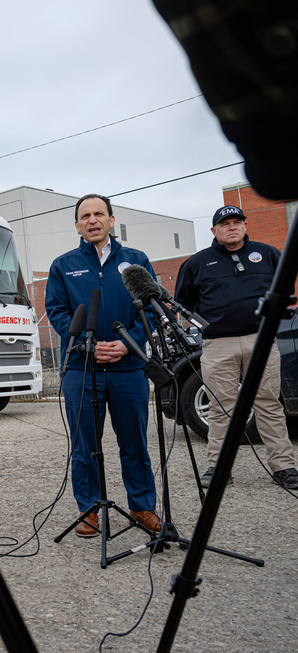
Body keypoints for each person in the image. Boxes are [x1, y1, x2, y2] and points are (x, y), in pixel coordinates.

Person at [45, 194, 161, 537]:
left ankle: (141, 507)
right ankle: (90, 509)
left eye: (99, 214)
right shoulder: (62, 266)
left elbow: (150, 309)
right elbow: (57, 312)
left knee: (134, 443)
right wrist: (88, 345)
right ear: (77, 225)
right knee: (85, 445)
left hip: (129, 370)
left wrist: (127, 345)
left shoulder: (136, 261)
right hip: (83, 370)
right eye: (85, 216)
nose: (92, 220)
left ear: (111, 220)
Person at [175, 205, 298, 490]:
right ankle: (218, 469)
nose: (232, 227)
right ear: (214, 230)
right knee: (220, 408)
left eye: (237, 222)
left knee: (269, 403)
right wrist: (207, 324)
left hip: (262, 340)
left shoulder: (268, 254)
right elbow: (184, 303)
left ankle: (284, 467)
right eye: (225, 223)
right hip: (218, 344)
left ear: (245, 225)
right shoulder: (197, 263)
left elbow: (284, 290)